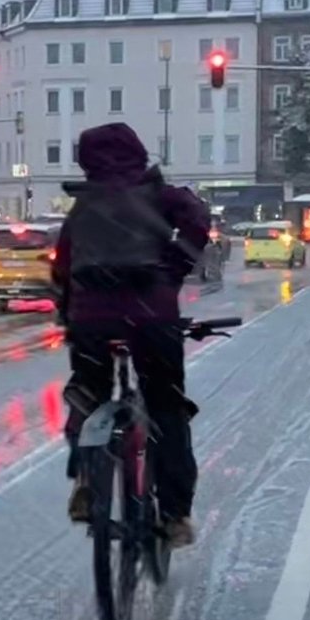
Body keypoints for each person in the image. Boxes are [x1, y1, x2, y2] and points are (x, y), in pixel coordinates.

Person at [49, 122, 211, 546]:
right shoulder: (159, 194)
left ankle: (87, 478)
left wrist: (70, 319)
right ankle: (174, 515)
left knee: (86, 393)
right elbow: (198, 219)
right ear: (139, 151)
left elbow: (62, 270)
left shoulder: (81, 209)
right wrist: (172, 271)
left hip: (92, 321)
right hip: (151, 317)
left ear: (85, 161)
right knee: (165, 406)